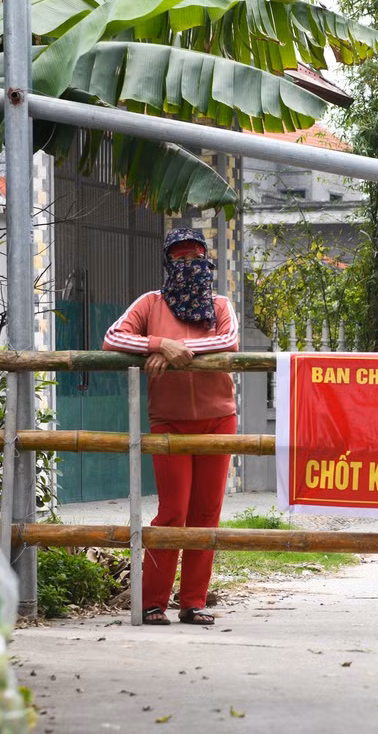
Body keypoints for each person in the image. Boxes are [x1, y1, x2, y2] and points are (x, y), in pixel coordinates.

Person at [103, 227, 239, 625]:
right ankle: (151, 602)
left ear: (206, 261)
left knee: (206, 514)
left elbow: (228, 341)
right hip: (169, 424)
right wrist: (157, 344)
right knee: (173, 511)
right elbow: (113, 337)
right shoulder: (150, 304)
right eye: (179, 259)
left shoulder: (220, 305)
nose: (187, 265)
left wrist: (181, 350)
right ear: (167, 263)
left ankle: (193, 603)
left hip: (219, 420)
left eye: (194, 258)